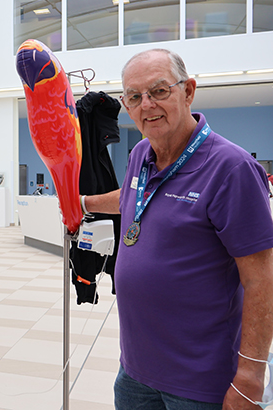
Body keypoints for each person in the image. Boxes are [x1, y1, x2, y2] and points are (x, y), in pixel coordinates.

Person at [83, 48, 273, 409]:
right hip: (135, 371)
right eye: (135, 97)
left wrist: (251, 376)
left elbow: (262, 279)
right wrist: (85, 204)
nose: (147, 105)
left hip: (200, 381)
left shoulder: (231, 169)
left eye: (159, 91)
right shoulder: (140, 154)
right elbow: (132, 195)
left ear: (188, 92)